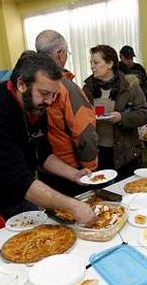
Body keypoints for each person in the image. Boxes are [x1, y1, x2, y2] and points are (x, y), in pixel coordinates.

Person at [0, 51, 96, 225]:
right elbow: (18, 179)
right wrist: (73, 206)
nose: (50, 101)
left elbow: (42, 153)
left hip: (14, 191)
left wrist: (75, 174)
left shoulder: (36, 105)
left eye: (54, 94)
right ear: (22, 84)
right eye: (45, 93)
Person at [35, 30, 99, 197]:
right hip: (71, 170)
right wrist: (90, 168)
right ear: (60, 54)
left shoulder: (31, 83)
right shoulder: (66, 87)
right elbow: (85, 132)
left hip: (44, 167)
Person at [82, 45, 147, 180]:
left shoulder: (130, 85)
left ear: (110, 63)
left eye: (96, 62)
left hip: (125, 151)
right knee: (102, 193)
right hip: (98, 151)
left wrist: (121, 117)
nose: (92, 66)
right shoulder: (87, 89)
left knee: (126, 189)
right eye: (91, 63)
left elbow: (143, 114)